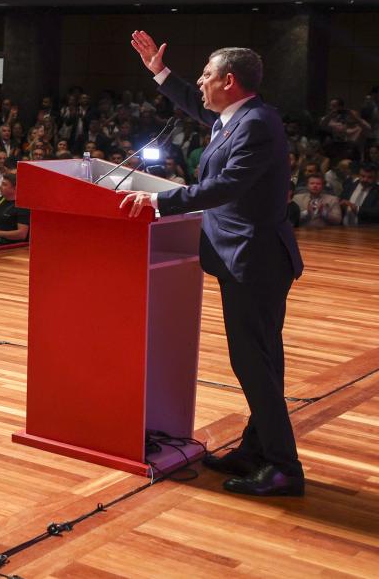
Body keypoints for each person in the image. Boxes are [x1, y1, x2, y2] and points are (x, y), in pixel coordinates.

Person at [123, 31, 304, 497]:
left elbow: (227, 185)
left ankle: (284, 468)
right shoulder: (237, 116)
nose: (200, 81)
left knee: (254, 364)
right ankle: (256, 450)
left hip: (254, 260)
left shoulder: (256, 124)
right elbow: (194, 104)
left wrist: (161, 201)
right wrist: (159, 72)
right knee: (261, 362)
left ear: (229, 81)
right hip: (246, 257)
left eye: (207, 74)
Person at [0, 173, 29, 245]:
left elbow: (22, 234)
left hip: (12, 248)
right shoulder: (1, 199)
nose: (0, 187)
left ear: (15, 188)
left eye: (4, 184)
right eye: (1, 183)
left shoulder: (22, 206)